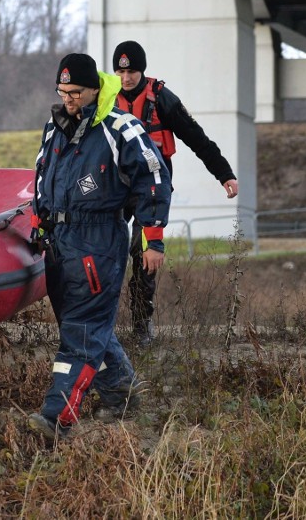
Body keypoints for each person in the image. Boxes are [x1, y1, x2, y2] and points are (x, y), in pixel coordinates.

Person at [27, 53, 172, 442]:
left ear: (94, 88)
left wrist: (151, 238)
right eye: (62, 92)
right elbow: (42, 177)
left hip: (99, 241)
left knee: (82, 331)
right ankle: (122, 391)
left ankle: (56, 418)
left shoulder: (120, 127)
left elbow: (154, 180)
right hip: (59, 242)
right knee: (83, 325)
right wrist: (40, 223)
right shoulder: (54, 128)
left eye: (75, 92)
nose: (69, 99)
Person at [112, 40, 239, 346]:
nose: (126, 78)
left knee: (144, 253)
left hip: (151, 190)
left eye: (132, 71)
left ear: (143, 70)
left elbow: (197, 138)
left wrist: (224, 174)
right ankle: (102, 322)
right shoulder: (106, 99)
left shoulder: (162, 99)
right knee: (107, 249)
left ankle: (141, 326)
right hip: (116, 185)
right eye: (121, 71)